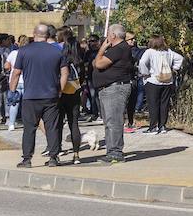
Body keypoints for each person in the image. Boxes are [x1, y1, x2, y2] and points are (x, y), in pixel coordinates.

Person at [11, 23, 69, 168]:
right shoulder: (57, 51)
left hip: (30, 96)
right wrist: (60, 90)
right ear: (48, 35)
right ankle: (53, 157)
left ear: (34, 33)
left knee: (29, 128)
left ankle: (27, 159)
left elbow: (16, 73)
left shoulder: (23, 51)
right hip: (51, 95)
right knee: (52, 127)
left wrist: (12, 90)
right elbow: (65, 73)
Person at [92, 24, 136, 164]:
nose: (107, 37)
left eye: (108, 34)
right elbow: (96, 63)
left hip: (115, 89)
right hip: (108, 89)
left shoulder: (119, 48)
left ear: (113, 36)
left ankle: (116, 153)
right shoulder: (117, 49)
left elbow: (98, 64)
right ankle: (111, 151)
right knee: (109, 122)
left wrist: (102, 49)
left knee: (114, 122)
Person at [138, 36, 184, 136]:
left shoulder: (150, 52)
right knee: (164, 104)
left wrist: (145, 73)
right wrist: (174, 69)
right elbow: (180, 58)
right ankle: (162, 126)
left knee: (153, 104)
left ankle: (153, 127)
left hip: (153, 81)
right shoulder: (168, 52)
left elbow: (142, 62)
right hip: (167, 81)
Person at [54, 28, 85, 163]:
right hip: (75, 91)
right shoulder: (79, 61)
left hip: (61, 92)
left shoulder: (61, 58)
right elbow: (82, 78)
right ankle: (76, 154)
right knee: (74, 123)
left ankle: (57, 151)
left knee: (58, 124)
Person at [4, 35, 28, 131]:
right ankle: (27, 122)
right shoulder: (29, 54)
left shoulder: (13, 53)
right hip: (27, 81)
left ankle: (11, 124)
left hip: (14, 80)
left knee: (14, 103)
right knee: (27, 104)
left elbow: (6, 66)